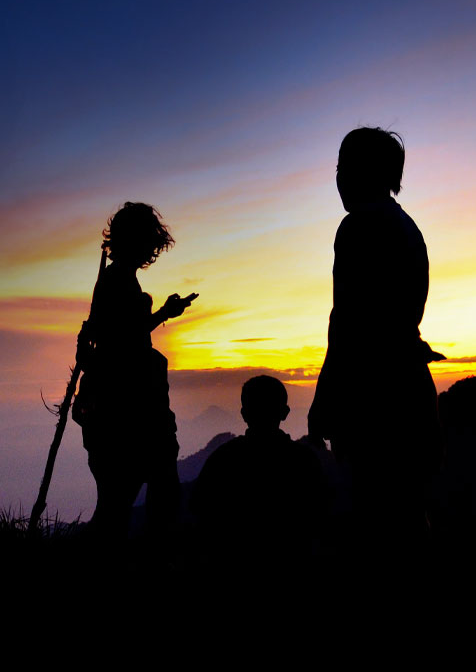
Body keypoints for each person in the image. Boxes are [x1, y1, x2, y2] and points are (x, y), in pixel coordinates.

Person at [307, 127, 443, 549]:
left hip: (373, 399)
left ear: (364, 173)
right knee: (407, 517)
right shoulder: (406, 226)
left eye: (344, 168)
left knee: (374, 524)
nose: (338, 178)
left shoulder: (357, 227)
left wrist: (324, 399)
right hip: (409, 391)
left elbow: (347, 321)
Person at [73, 202, 197, 551]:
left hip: (120, 407)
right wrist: (164, 314)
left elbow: (110, 337)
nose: (151, 250)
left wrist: (162, 314)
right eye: (149, 241)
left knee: (119, 502)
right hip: (129, 409)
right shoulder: (117, 281)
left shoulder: (116, 279)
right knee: (135, 500)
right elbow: (123, 340)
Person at [190, 375, 326, 567]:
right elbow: (319, 516)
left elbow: (200, 511)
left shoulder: (224, 459)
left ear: (244, 413)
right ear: (285, 412)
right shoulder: (305, 461)